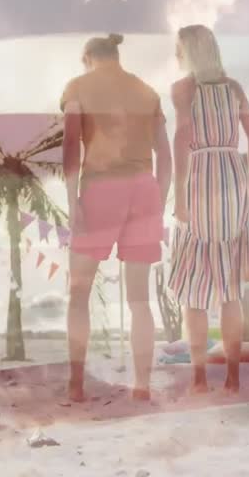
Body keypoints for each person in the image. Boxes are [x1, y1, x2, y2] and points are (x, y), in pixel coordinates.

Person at [61, 34, 172, 403]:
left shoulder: (78, 86)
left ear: (88, 56)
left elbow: (70, 149)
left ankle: (76, 384)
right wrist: (160, 196)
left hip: (101, 188)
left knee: (78, 294)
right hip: (144, 189)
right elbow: (165, 157)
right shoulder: (146, 91)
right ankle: (142, 386)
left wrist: (71, 198)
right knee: (139, 300)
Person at [167, 25, 249, 395]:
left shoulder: (183, 89)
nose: (176, 56)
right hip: (233, 179)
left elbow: (181, 139)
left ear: (188, 53)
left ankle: (200, 376)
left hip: (200, 179)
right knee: (230, 290)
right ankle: (234, 376)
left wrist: (179, 194)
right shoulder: (234, 88)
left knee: (194, 290)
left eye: (178, 50)